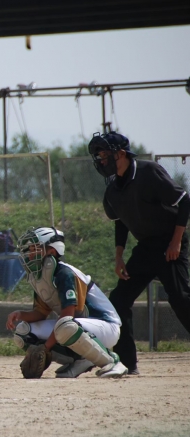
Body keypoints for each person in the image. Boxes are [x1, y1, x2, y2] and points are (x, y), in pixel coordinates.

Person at [88, 132, 190, 374]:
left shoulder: (148, 172)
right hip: (146, 247)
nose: (102, 160)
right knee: (118, 301)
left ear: (121, 154)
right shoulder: (113, 190)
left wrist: (176, 242)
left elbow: (185, 201)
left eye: (105, 154)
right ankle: (127, 363)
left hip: (169, 242)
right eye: (99, 156)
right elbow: (120, 223)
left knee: (180, 299)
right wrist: (119, 257)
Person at [6, 226, 128, 379]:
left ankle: (112, 361)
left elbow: (68, 315)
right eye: (29, 250)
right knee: (23, 332)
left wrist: (45, 348)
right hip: (79, 325)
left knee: (65, 325)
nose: (30, 254)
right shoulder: (42, 276)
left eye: (35, 249)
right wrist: (20, 314)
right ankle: (81, 360)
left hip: (106, 326)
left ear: (51, 251)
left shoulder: (65, 273)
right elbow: (41, 313)